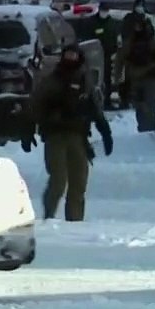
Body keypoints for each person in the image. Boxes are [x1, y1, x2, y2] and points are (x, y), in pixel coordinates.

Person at [22, 44, 114, 221]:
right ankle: (49, 217)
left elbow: (94, 109)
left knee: (79, 181)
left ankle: (75, 220)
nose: (70, 58)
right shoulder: (51, 81)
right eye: (68, 55)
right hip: (55, 136)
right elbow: (35, 106)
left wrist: (105, 132)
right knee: (58, 179)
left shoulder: (85, 82)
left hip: (77, 136)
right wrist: (27, 130)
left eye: (74, 55)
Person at [115, 13, 155, 133]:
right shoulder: (152, 41)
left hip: (139, 78)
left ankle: (145, 131)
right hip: (148, 78)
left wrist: (118, 78)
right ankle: (148, 133)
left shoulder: (131, 41)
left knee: (142, 107)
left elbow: (119, 60)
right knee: (147, 107)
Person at [91, 2, 120, 109]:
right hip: (94, 57)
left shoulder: (112, 23)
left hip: (108, 56)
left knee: (107, 79)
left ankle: (107, 101)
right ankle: (94, 102)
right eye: (103, 10)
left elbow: (116, 39)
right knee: (95, 80)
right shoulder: (93, 22)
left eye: (106, 10)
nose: (105, 12)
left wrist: (115, 51)